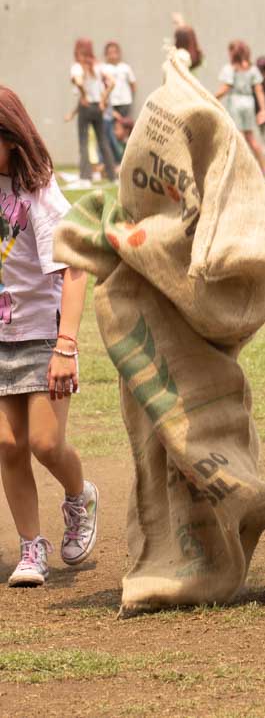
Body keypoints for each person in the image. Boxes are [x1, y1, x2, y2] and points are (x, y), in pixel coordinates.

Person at [0, 87, 99, 587]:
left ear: (9, 137)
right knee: (6, 443)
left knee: (44, 442)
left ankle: (80, 497)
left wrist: (67, 345)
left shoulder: (37, 191)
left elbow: (74, 268)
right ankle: (31, 546)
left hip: (43, 335)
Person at [215, 41, 265, 175]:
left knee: (237, 137)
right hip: (249, 102)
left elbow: (226, 87)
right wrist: (263, 110)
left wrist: (211, 98)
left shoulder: (230, 68)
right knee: (250, 137)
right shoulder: (252, 69)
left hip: (235, 102)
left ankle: (240, 168)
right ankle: (264, 167)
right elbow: (259, 90)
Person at [69, 39, 116, 189]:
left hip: (86, 107)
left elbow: (78, 82)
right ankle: (113, 177)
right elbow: (112, 82)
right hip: (97, 107)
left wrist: (83, 95)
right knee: (103, 141)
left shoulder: (77, 67)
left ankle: (85, 178)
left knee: (83, 141)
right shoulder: (98, 66)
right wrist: (103, 99)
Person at [101, 41, 136, 163]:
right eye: (110, 52)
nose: (113, 55)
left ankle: (126, 159)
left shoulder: (125, 68)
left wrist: (129, 97)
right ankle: (114, 159)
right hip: (111, 104)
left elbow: (133, 84)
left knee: (124, 132)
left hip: (125, 103)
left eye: (115, 52)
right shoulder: (103, 68)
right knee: (111, 132)